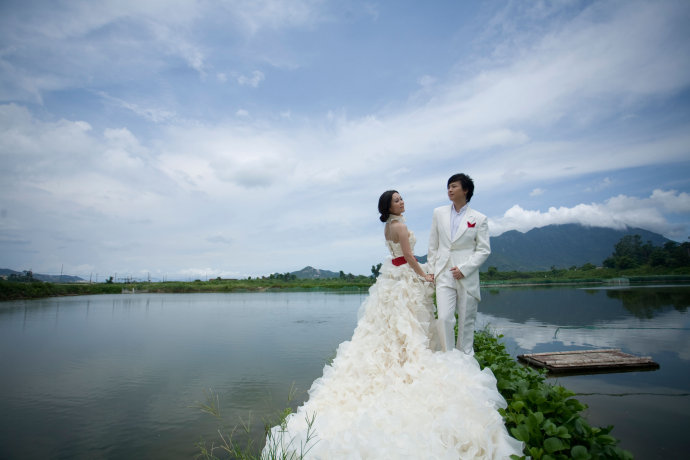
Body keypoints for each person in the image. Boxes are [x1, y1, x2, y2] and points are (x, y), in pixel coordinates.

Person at [262, 190, 522, 459]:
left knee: (392, 325)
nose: (402, 201)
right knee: (409, 323)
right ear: (389, 207)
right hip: (405, 274)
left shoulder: (388, 227)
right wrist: (426, 276)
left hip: (391, 275)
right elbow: (409, 257)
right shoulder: (400, 225)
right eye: (397, 200)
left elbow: (398, 255)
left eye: (401, 198)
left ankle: (396, 360)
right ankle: (407, 363)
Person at [428, 173, 491, 354]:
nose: (450, 189)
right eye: (448, 186)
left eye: (454, 186)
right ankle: (448, 358)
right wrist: (432, 271)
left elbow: (483, 250)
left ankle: (465, 358)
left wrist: (464, 269)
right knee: (445, 318)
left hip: (467, 275)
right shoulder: (438, 213)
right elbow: (433, 245)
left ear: (466, 190)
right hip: (443, 271)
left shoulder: (479, 218)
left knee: (466, 320)